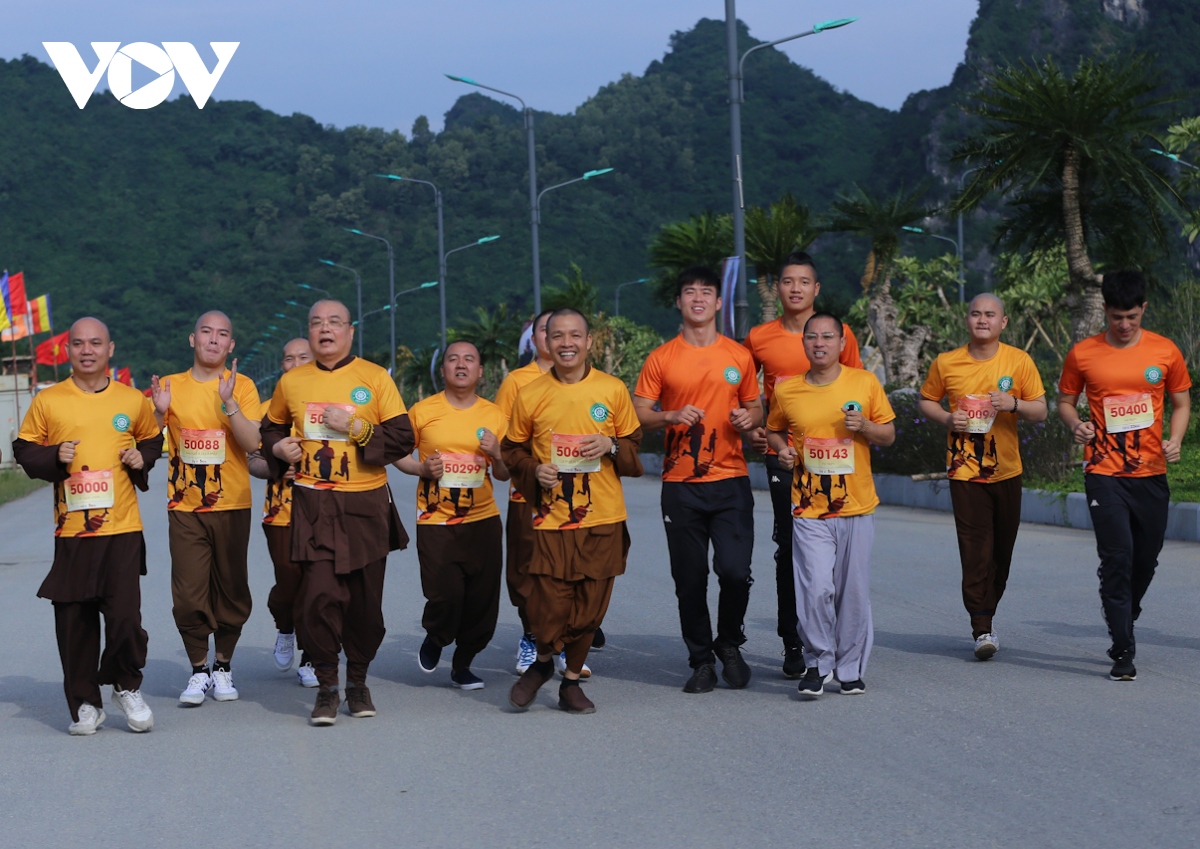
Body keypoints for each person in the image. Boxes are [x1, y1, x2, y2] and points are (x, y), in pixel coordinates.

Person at [261, 299, 414, 725]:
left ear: (350, 330)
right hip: (311, 506)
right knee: (319, 598)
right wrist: (278, 447)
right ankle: (327, 686)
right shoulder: (292, 381)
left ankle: (358, 682)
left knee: (365, 605)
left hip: (365, 505)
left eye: (334, 322)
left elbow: (403, 438)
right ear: (309, 333)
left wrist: (358, 428)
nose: (325, 329)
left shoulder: (374, 377)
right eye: (316, 323)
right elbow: (270, 427)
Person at [13, 318, 163, 735]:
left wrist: (141, 458)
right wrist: (55, 456)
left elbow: (152, 440)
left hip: (122, 527)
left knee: (125, 619)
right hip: (72, 529)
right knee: (74, 621)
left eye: (95, 343)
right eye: (78, 343)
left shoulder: (132, 400)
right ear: (68, 351)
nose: (87, 350)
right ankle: (84, 705)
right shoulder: (49, 400)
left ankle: (125, 685)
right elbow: (25, 450)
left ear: (110, 349)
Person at [502, 308, 643, 714]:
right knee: (547, 604)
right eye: (557, 335)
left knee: (590, 604)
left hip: (602, 516)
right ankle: (543, 662)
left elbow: (633, 450)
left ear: (588, 342)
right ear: (544, 342)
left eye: (575, 335)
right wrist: (534, 469)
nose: (566, 343)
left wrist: (610, 446)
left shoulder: (612, 390)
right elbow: (512, 451)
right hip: (551, 518)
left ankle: (570, 680)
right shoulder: (530, 393)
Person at [1057, 270, 1191, 681]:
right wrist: (1075, 423)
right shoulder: (1083, 353)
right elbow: (1065, 401)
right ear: (1105, 311)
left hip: (1151, 472)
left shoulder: (1165, 351)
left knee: (1145, 560)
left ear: (1143, 309)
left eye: (1132, 316)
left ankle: (1123, 610)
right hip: (1103, 471)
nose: (1125, 324)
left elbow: (1181, 403)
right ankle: (1123, 647)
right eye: (1117, 317)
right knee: (1118, 557)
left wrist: (1176, 440)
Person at [634, 266, 762, 694]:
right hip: (681, 483)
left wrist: (749, 418)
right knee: (689, 579)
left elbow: (755, 409)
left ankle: (729, 643)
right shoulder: (661, 358)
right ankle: (701, 659)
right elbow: (638, 414)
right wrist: (669, 415)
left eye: (706, 292)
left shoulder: (738, 356)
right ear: (679, 302)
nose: (698, 299)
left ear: (719, 302)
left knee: (734, 571)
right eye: (689, 292)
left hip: (731, 479)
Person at [743, 251, 863, 678]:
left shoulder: (838, 332)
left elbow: (858, 393)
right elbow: (745, 396)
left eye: (803, 281)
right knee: (790, 550)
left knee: (838, 560)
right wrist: (757, 429)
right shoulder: (759, 337)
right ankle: (794, 641)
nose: (795, 288)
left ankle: (837, 642)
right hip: (787, 460)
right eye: (787, 281)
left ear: (816, 289)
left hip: (838, 465)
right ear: (777, 288)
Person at [765, 313, 895, 698]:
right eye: (812, 337)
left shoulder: (864, 382)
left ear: (841, 343)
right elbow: (773, 431)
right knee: (815, 588)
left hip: (856, 506)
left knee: (851, 591)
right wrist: (784, 451)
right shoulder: (787, 390)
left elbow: (887, 434)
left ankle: (850, 669)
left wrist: (865, 428)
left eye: (827, 337)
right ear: (803, 344)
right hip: (808, 508)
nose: (819, 343)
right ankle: (818, 663)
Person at [917, 294, 1047, 659]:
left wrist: (1013, 404)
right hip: (965, 472)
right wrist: (946, 417)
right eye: (976, 314)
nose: (982, 320)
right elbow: (926, 400)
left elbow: (1041, 410)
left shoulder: (1018, 361)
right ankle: (982, 627)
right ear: (967, 320)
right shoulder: (947, 363)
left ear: (1003, 322)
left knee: (1000, 554)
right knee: (975, 551)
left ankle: (987, 608)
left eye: (990, 315)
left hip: (1007, 470)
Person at [151, 311, 262, 706]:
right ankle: (199, 670)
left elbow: (253, 444)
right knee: (188, 593)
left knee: (231, 589)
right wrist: (157, 412)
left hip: (232, 503)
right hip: (185, 507)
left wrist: (229, 402)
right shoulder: (168, 386)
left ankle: (223, 666)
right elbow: (149, 439)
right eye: (206, 332)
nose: (213, 340)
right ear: (192, 339)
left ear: (231, 345)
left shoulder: (242, 386)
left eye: (222, 335)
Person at [396, 341, 509, 690]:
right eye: (453, 359)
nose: (461, 365)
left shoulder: (495, 415)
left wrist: (498, 453)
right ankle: (437, 635)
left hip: (483, 520)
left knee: (481, 600)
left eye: (469, 359)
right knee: (445, 593)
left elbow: (504, 474)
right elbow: (397, 453)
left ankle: (463, 664)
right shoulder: (423, 411)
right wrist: (420, 468)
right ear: (442, 370)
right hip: (435, 520)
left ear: (480, 372)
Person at [496, 308, 600, 675]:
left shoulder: (593, 382)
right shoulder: (517, 382)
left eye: (568, 333)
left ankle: (568, 643)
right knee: (528, 573)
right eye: (547, 331)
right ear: (538, 339)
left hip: (579, 496)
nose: (557, 339)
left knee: (576, 570)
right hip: (528, 496)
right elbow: (506, 441)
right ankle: (532, 638)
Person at [247, 337, 318, 687]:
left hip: (325, 509)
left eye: (303, 357)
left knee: (317, 585)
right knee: (289, 581)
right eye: (288, 358)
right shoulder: (269, 408)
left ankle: (311, 654)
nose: (296, 363)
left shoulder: (327, 405)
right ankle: (285, 626)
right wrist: (277, 466)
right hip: (281, 511)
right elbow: (254, 462)